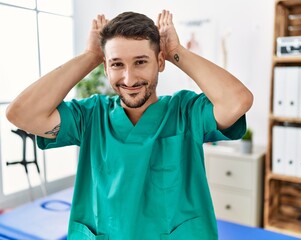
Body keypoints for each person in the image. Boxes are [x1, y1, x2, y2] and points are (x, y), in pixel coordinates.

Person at [6, 10, 253, 240]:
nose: (129, 78)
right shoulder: (90, 116)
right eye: (117, 64)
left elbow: (237, 101)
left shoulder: (185, 112)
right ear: (105, 66)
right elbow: (22, 114)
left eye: (140, 62)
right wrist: (89, 57)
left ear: (160, 61)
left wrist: (177, 51)